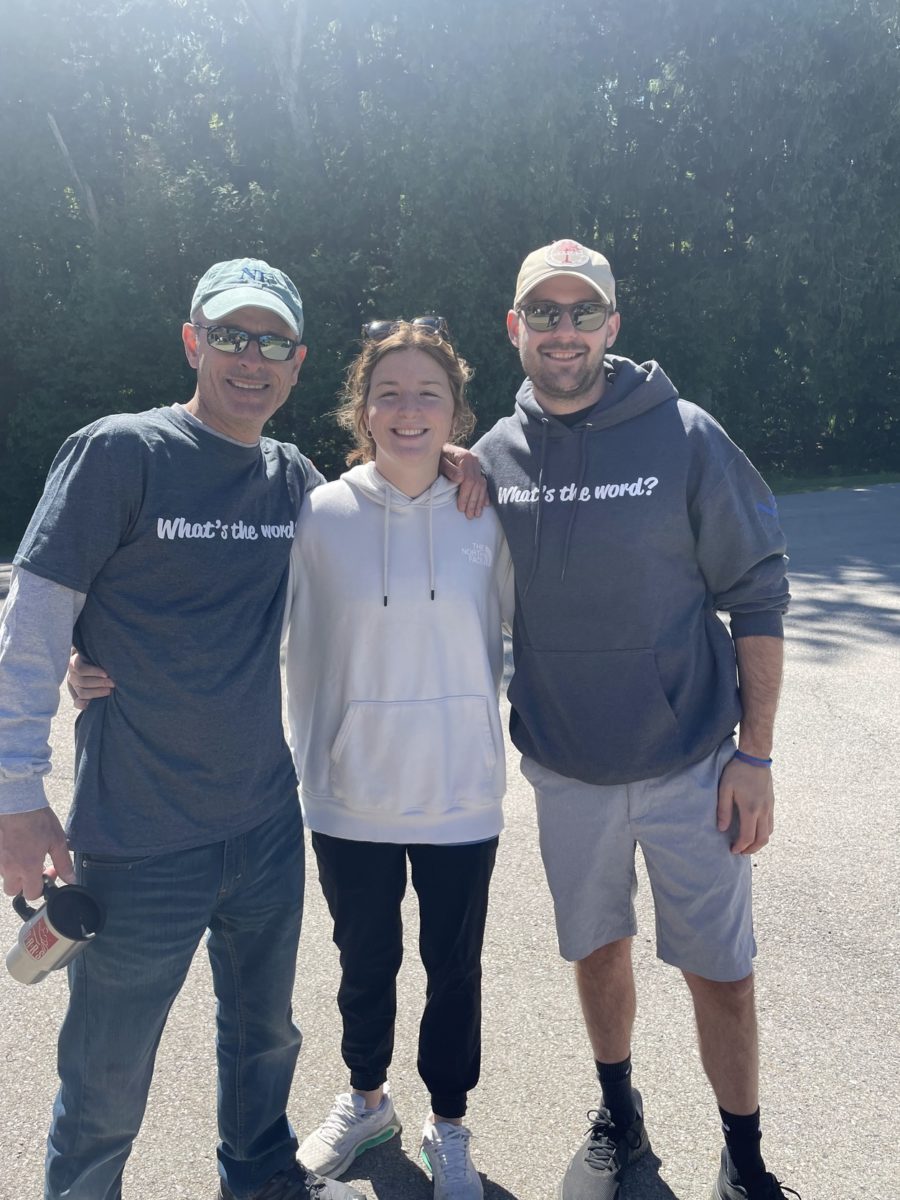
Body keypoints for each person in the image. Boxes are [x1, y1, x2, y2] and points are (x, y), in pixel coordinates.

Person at [0, 259, 365, 1200]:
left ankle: (259, 1178)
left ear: (297, 361)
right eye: (232, 335)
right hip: (135, 841)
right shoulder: (122, 453)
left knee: (265, 1035)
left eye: (273, 340)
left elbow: (384, 533)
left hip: (263, 828)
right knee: (108, 1077)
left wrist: (453, 465)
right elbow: (33, 630)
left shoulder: (292, 479)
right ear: (193, 340)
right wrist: (14, 795)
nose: (252, 358)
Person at [473, 239, 796, 1200]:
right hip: (568, 770)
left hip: (692, 762)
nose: (562, 331)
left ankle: (744, 1158)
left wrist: (758, 756)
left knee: (721, 973)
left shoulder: (685, 434)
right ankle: (621, 1115)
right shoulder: (492, 456)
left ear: (612, 326)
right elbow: (407, 557)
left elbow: (759, 593)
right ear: (515, 328)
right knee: (597, 948)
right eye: (544, 312)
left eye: (582, 313)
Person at [284, 320, 512, 1200]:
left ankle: (448, 1122)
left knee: (455, 970)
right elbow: (227, 614)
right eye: (390, 393)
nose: (408, 410)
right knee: (363, 963)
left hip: (460, 795)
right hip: (349, 795)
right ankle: (367, 1100)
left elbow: (544, 622)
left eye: (429, 394)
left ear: (456, 411)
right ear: (363, 409)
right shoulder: (318, 514)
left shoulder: (488, 510)